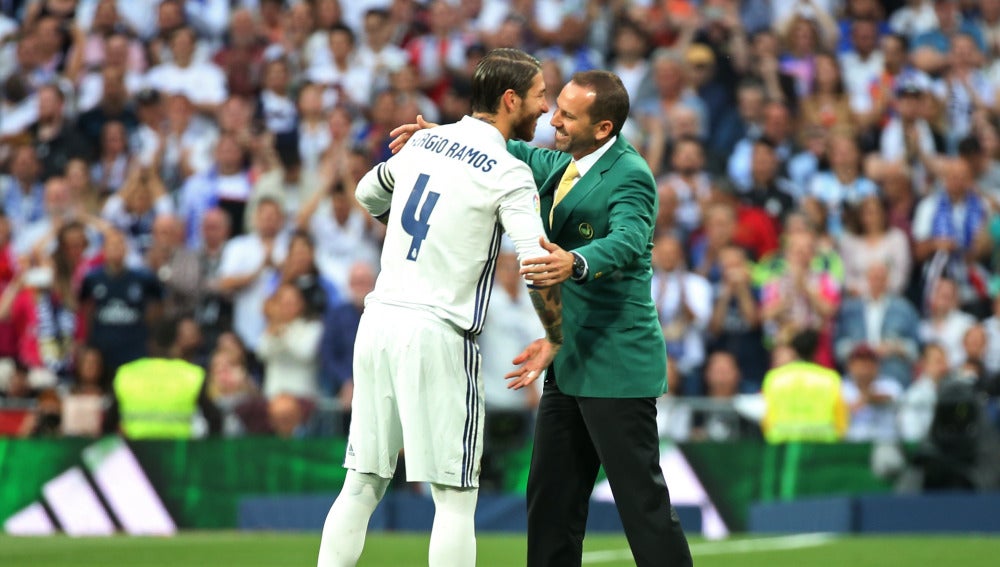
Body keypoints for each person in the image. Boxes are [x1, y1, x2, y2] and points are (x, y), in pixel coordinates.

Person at [394, 69, 693, 566]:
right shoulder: (562, 164)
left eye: (568, 116)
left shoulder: (631, 174)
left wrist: (576, 261)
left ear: (603, 128)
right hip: (569, 357)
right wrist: (439, 137)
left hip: (617, 363)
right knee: (551, 500)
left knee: (642, 504)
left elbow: (627, 240)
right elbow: (506, 150)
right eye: (557, 108)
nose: (553, 120)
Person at [317, 48, 563, 567]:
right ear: (511, 99)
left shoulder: (425, 142)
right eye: (540, 96)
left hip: (379, 320)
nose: (546, 108)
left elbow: (367, 194)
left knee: (361, 484)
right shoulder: (508, 171)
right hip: (439, 333)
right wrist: (556, 334)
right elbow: (536, 263)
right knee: (454, 497)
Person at [761, 329, 849, 443]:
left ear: (794, 351)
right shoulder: (830, 379)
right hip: (821, 444)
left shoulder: (774, 378)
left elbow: (766, 419)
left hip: (782, 444)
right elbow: (841, 422)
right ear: (816, 350)